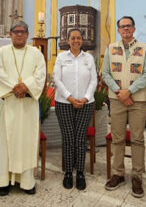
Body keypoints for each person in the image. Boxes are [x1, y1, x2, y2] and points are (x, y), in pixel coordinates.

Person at [0, 21, 46, 196]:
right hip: (8, 104)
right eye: (16, 32)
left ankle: (27, 181)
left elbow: (41, 74)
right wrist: (16, 88)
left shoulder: (36, 53)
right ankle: (3, 181)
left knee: (26, 141)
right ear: (10, 34)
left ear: (28, 34)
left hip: (28, 105)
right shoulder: (1, 52)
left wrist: (26, 87)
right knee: (4, 142)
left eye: (23, 32)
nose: (19, 34)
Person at [101, 16, 146, 198]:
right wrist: (119, 92)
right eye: (122, 27)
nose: (125, 29)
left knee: (137, 139)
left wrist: (129, 91)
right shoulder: (111, 48)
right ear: (118, 30)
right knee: (118, 138)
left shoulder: (144, 48)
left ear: (134, 28)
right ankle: (118, 173)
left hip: (138, 100)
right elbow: (105, 73)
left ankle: (137, 176)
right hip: (116, 100)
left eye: (128, 26)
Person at [53, 28, 97, 191]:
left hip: (86, 104)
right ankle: (67, 173)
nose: (76, 40)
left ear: (82, 40)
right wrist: (70, 97)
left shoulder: (89, 58)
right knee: (68, 138)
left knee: (80, 138)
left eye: (78, 38)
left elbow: (94, 80)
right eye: (73, 38)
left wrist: (85, 98)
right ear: (68, 40)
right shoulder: (61, 57)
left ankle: (80, 173)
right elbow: (57, 79)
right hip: (64, 103)